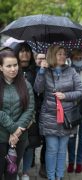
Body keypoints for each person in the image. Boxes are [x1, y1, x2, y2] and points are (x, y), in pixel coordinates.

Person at [34, 45, 82, 180]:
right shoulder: (46, 71)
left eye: (64, 54)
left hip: (67, 117)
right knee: (52, 149)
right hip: (50, 116)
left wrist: (65, 96)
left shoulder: (71, 71)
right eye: (59, 54)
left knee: (62, 150)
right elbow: (38, 89)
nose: (63, 56)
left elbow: (80, 92)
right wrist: (42, 71)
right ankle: (51, 177)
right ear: (52, 55)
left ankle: (59, 176)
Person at [0, 50, 34, 180]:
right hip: (1, 137)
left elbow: (29, 109)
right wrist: (13, 128)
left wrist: (18, 132)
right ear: (0, 67)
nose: (13, 69)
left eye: (15, 65)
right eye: (9, 66)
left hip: (19, 138)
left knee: (12, 173)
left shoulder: (26, 85)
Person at [14, 42, 41, 180]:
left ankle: (25, 172)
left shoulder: (36, 71)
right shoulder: (12, 69)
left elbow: (40, 92)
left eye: (28, 51)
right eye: (22, 51)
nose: (25, 54)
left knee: (30, 145)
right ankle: (15, 171)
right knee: (15, 144)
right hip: (15, 114)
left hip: (32, 114)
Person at [34, 53, 47, 178]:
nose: (41, 60)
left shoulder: (49, 70)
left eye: (44, 58)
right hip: (33, 109)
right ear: (35, 59)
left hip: (45, 109)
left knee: (46, 140)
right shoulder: (32, 70)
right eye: (39, 58)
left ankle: (43, 164)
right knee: (33, 136)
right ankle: (31, 158)